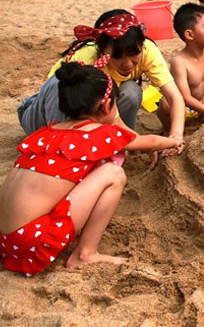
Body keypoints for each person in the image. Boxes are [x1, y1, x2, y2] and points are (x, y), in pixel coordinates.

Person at [0, 63, 182, 276]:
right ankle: (85, 253)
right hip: (28, 241)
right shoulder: (99, 133)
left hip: (4, 240)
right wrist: (175, 140)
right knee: (112, 174)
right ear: (106, 107)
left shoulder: (47, 132)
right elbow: (146, 140)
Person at [18, 11, 187, 147]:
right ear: (101, 50)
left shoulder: (147, 50)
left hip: (90, 111)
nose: (128, 63)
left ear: (142, 45)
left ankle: (121, 143)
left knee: (131, 91)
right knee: (59, 87)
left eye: (134, 54)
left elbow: (174, 96)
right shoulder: (85, 61)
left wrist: (176, 135)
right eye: (117, 56)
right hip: (47, 112)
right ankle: (62, 143)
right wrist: (145, 144)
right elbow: (58, 98)